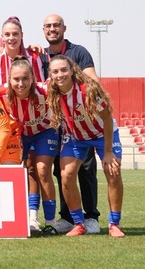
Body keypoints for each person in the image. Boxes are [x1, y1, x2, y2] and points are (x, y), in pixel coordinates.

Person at [46, 55, 124, 237]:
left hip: (102, 134)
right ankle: (79, 224)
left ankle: (114, 224)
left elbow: (106, 119)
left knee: (113, 172)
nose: (60, 75)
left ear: (72, 70)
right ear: (50, 74)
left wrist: (107, 152)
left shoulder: (88, 91)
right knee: (66, 175)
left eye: (63, 70)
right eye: (55, 71)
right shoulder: (51, 92)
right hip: (76, 137)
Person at [41, 14, 101, 234]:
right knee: (61, 170)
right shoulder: (40, 55)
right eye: (48, 26)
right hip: (55, 121)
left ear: (64, 28)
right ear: (43, 30)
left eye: (56, 25)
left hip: (80, 120)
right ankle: (67, 217)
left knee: (85, 168)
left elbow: (93, 81)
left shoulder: (78, 52)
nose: (52, 29)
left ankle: (91, 216)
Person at [0, 56, 60, 235]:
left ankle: (51, 222)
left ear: (33, 78)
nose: (21, 83)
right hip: (20, 134)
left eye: (25, 78)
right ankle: (32, 218)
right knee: (28, 170)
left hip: (44, 131)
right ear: (9, 79)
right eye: (16, 79)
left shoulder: (46, 91)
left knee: (42, 170)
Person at [0, 17, 45, 90]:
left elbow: (40, 86)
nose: (11, 38)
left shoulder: (34, 58)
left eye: (15, 34)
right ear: (2, 37)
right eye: (7, 34)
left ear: (21, 35)